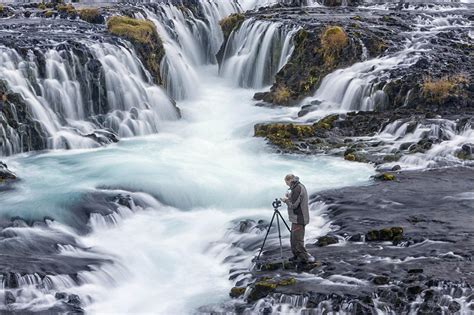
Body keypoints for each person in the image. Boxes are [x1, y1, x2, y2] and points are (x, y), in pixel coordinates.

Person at [280, 174, 315, 263]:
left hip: (300, 218)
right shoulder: (297, 187)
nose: (286, 184)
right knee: (293, 238)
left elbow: (293, 205)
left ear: (289, 180)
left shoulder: (297, 189)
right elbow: (296, 200)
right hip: (296, 218)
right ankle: (296, 256)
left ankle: (304, 258)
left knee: (298, 240)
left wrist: (286, 200)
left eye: (286, 182)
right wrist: (289, 196)